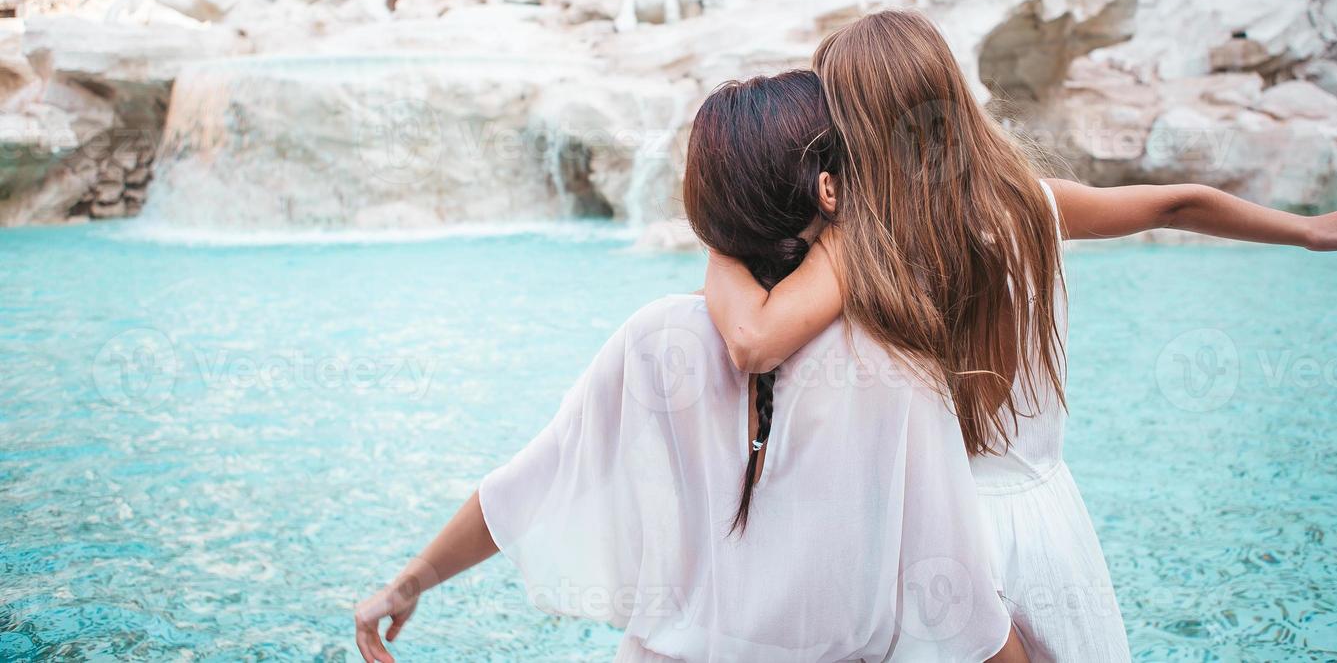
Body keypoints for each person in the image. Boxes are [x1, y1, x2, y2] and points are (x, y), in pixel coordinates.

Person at [703, 10, 1337, 661]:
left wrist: (719, 229)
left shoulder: (862, 247)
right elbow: (1176, 202)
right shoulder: (1029, 203)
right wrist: (1305, 230)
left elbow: (752, 340)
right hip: (1044, 520)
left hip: (937, 530)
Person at [355, 70, 1028, 662]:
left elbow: (525, 486)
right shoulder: (900, 372)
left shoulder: (654, 340)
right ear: (832, 189)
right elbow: (964, 606)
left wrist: (407, 582)